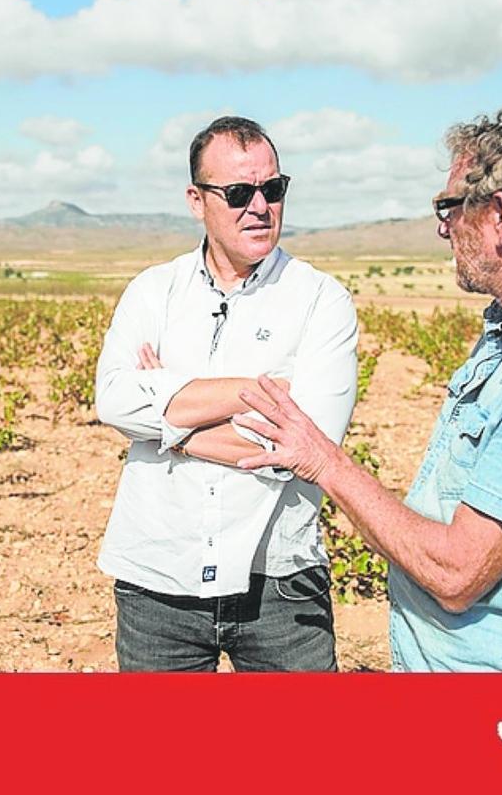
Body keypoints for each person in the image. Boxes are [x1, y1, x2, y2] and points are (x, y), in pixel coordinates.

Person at [234, 105, 502, 671]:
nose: (441, 227)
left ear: (499, 215)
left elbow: (456, 573)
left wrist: (325, 462)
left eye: (449, 207)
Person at [95, 116, 358, 671]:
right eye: (239, 192)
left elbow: (303, 448)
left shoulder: (321, 300)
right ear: (198, 200)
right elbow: (115, 401)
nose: (259, 206)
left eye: (273, 189)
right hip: (157, 579)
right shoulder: (152, 291)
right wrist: (252, 391)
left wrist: (167, 420)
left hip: (280, 585)